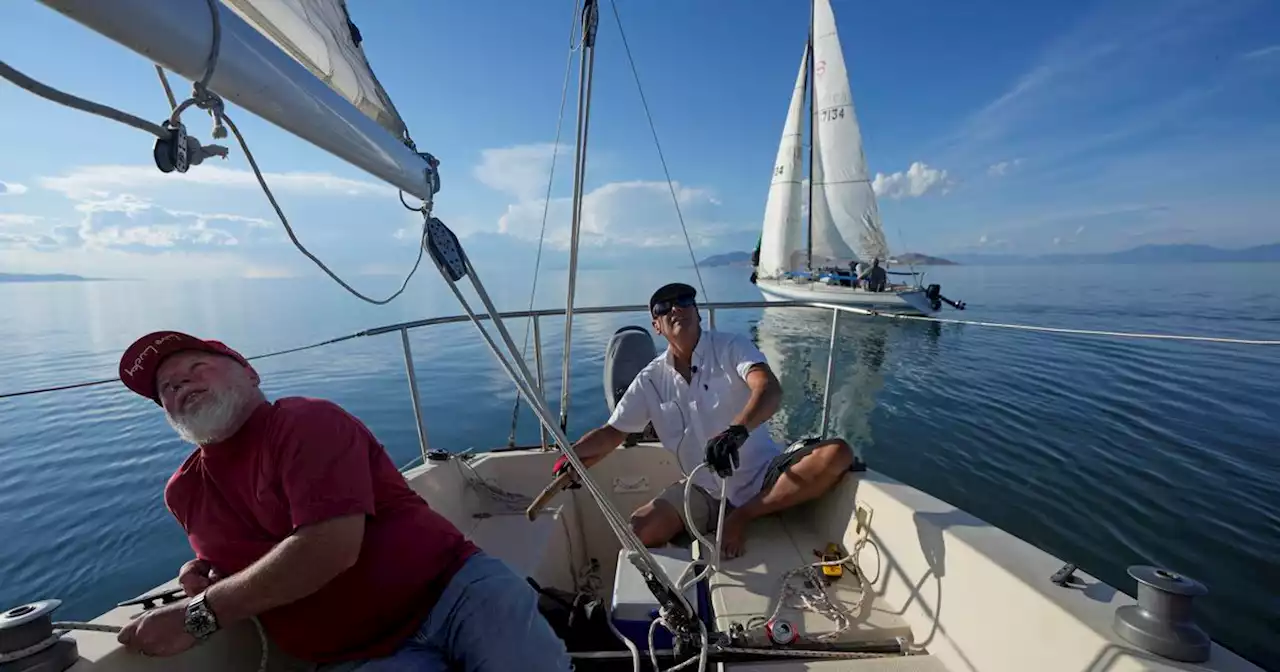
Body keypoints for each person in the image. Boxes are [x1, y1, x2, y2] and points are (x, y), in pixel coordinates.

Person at [114, 331, 570, 670]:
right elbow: (250, 563)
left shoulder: (304, 422)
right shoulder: (184, 491)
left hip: (453, 594)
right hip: (355, 655)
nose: (179, 385)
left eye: (196, 368)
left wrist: (199, 616)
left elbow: (329, 546)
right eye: (166, 389)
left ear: (250, 374)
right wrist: (204, 573)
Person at [562, 284, 857, 559]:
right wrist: (575, 458)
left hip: (764, 477)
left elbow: (768, 387)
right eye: (664, 307)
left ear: (697, 312)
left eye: (684, 300)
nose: (675, 308)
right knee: (638, 532)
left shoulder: (731, 347)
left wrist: (737, 431)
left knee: (837, 453)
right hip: (703, 488)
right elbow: (612, 433)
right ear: (656, 326)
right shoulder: (650, 380)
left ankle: (743, 515)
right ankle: (720, 519)